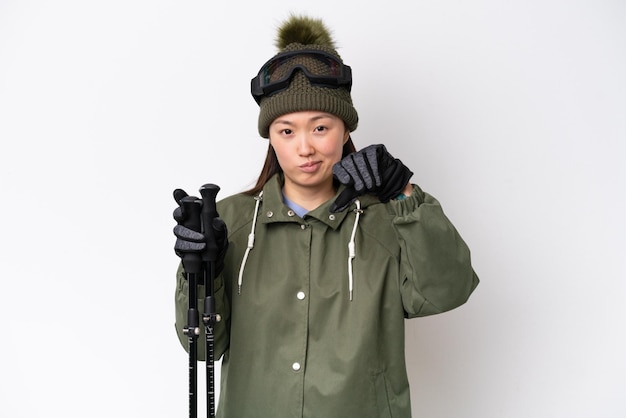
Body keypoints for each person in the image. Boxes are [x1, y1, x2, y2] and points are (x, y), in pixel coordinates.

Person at [173, 14, 479, 418]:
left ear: (345, 131)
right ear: (270, 137)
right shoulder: (230, 221)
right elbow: (202, 345)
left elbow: (447, 291)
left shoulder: (387, 220)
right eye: (287, 131)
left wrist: (404, 194)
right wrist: (198, 271)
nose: (305, 148)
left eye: (320, 128)